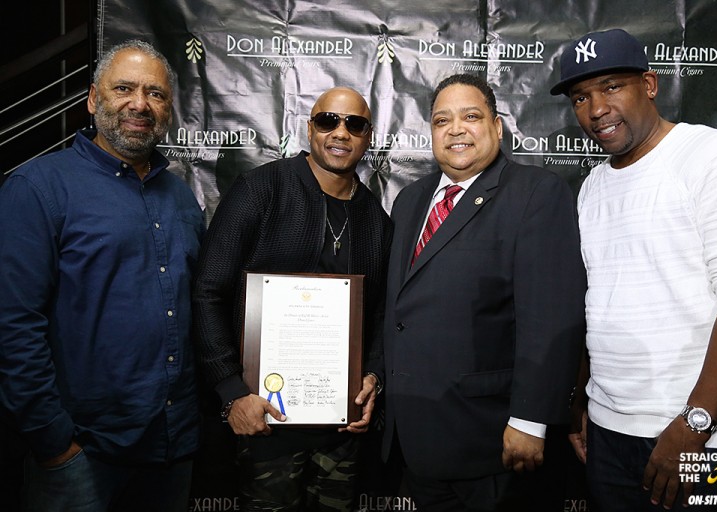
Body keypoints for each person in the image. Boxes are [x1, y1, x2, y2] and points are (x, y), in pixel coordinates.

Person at [551, 28, 717, 511]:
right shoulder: (593, 187)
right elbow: (594, 305)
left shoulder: (714, 157)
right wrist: (582, 401)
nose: (596, 109)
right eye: (581, 97)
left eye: (611, 87)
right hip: (608, 434)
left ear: (649, 84)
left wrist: (694, 424)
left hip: (704, 442)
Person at [0, 40, 204, 511]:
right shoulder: (38, 188)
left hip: (170, 447)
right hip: (81, 456)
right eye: (124, 89)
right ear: (94, 99)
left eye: (155, 93)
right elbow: (13, 325)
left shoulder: (180, 197)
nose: (140, 104)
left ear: (168, 109)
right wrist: (53, 442)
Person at [376, 73, 586, 511]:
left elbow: (551, 318)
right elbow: (399, 309)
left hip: (492, 444)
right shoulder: (410, 200)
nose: (456, 129)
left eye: (470, 116)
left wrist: (530, 419)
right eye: (442, 120)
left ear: (497, 126)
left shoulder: (535, 193)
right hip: (417, 442)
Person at [192, 86, 392, 511]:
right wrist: (231, 391)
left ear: (368, 137)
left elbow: (380, 313)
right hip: (264, 423)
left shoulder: (375, 219)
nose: (341, 133)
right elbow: (208, 291)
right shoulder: (261, 190)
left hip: (342, 433)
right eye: (328, 121)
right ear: (310, 127)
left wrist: (373, 375)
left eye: (355, 124)